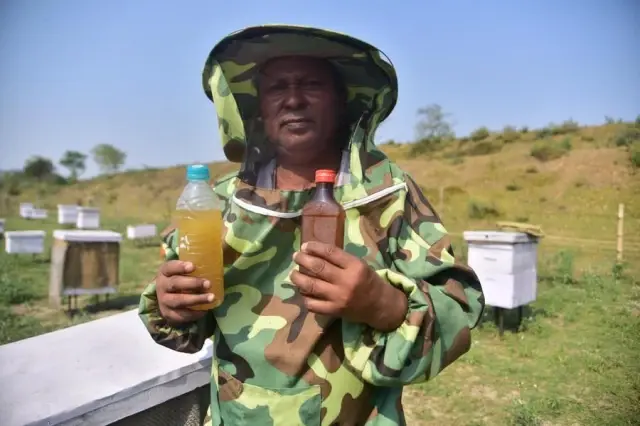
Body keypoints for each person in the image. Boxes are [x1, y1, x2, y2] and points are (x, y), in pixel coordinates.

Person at [138, 24, 485, 426]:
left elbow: (457, 310)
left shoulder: (386, 194)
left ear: (342, 102)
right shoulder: (216, 203)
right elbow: (184, 315)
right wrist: (173, 305)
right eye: (277, 88)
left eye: (311, 84)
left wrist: (381, 304)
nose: (294, 100)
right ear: (259, 108)